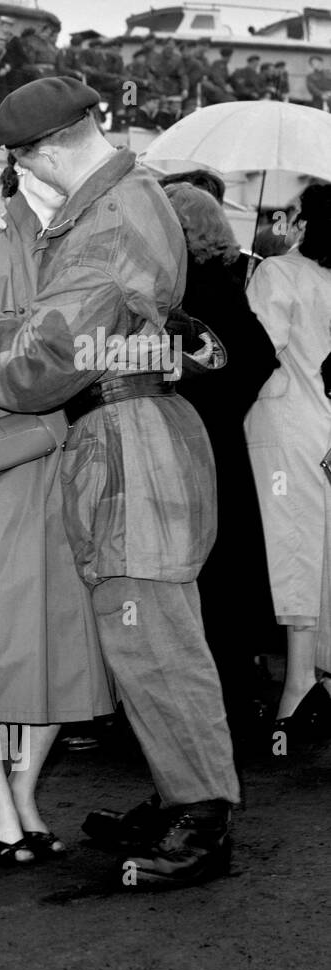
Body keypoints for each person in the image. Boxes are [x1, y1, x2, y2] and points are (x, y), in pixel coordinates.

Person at [0, 77, 240, 889]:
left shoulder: (106, 221)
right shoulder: (133, 200)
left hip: (125, 447)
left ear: (43, 151)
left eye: (23, 160)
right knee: (150, 639)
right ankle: (179, 792)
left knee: (158, 647)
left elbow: (42, 363)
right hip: (131, 435)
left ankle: (201, 818)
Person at [0, 158, 114, 866]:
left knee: (63, 639)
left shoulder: (89, 251)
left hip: (74, 463)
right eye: (37, 163)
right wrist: (30, 378)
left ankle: (21, 786)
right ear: (16, 170)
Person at [162, 183, 279, 754]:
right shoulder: (223, 283)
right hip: (216, 444)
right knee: (222, 570)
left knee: (207, 573)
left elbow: (253, 357)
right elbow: (257, 359)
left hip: (193, 444)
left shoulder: (194, 289)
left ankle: (216, 703)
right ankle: (233, 694)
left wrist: (203, 395)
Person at [245, 182, 331, 745]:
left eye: (293, 212)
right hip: (323, 425)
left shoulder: (279, 275)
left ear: (304, 223)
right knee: (320, 552)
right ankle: (313, 681)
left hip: (287, 427)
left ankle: (298, 688)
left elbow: (256, 352)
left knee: (296, 551)